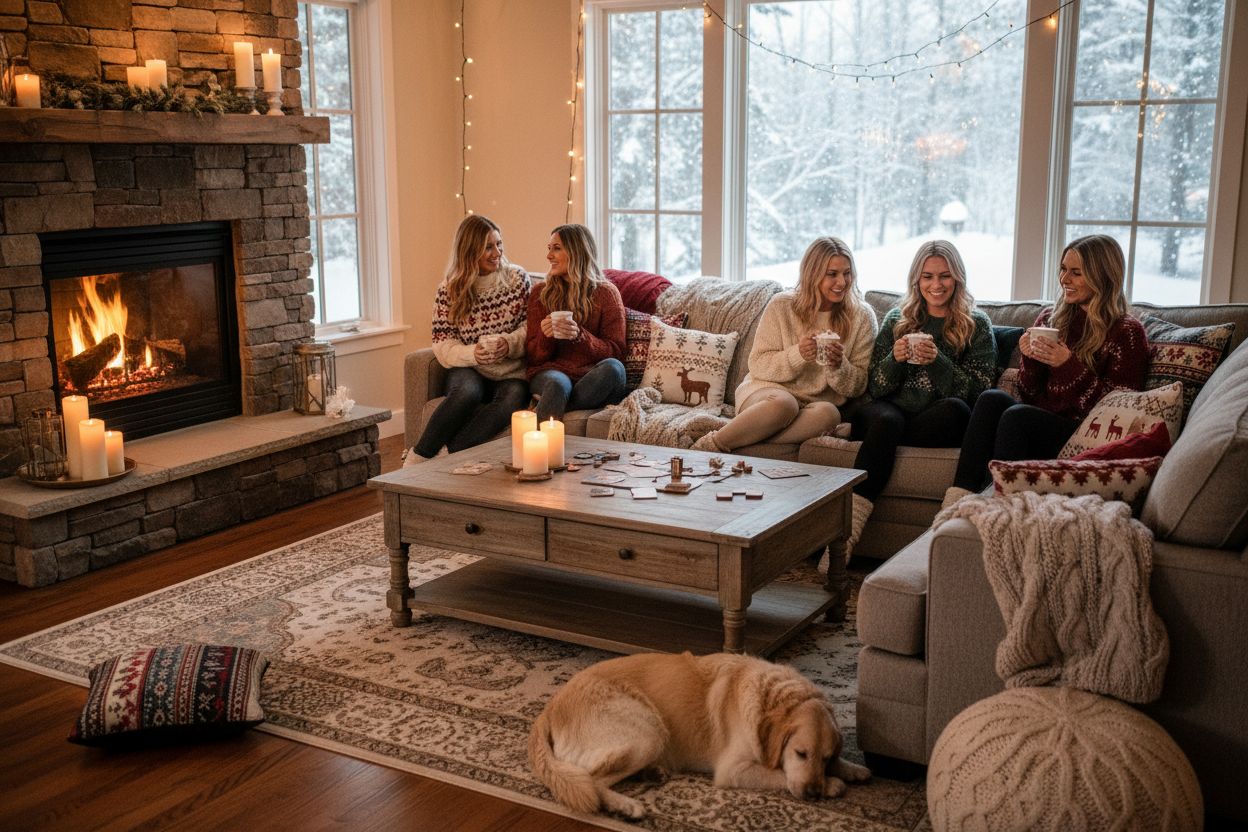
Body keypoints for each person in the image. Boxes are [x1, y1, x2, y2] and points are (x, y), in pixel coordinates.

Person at [692, 236, 878, 553]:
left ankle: (738, 441)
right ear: (812, 274)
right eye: (832, 274)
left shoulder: (862, 317)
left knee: (829, 413)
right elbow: (759, 364)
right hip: (766, 395)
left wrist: (837, 365)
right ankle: (711, 445)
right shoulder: (782, 306)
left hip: (813, 408)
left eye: (846, 273)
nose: (841, 282)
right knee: (784, 403)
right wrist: (797, 354)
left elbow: (857, 385)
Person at [945, 234, 1150, 503]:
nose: (1064, 279)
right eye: (1064, 270)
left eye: (1076, 273)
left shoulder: (1127, 332)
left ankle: (997, 505)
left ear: (1103, 276)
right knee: (991, 399)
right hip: (1041, 423)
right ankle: (958, 499)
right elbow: (1030, 394)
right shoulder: (1052, 319)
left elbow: (1116, 412)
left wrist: (1067, 365)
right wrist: (1030, 359)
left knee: (1017, 417)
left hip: (1084, 431)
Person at [850, 241, 997, 551]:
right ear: (916, 280)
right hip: (888, 414)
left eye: (944, 276)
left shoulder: (976, 324)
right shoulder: (896, 319)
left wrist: (938, 361)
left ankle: (886, 445)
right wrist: (895, 358)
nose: (936, 285)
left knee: (957, 410)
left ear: (957, 278)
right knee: (888, 422)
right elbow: (875, 387)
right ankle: (847, 531)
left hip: (932, 422)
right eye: (927, 276)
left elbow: (980, 391)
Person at [404, 215, 531, 467]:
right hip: (470, 369)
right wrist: (474, 354)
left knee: (512, 399)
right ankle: (416, 457)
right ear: (469, 250)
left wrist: (508, 343)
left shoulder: (517, 279)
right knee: (466, 392)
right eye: (488, 247)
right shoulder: (449, 290)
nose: (497, 252)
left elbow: (530, 327)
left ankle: (444, 457)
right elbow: (442, 345)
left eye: (499, 244)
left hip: (511, 372)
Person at [525, 224, 627, 421]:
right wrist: (546, 337)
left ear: (576, 252)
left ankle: (556, 404)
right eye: (549, 248)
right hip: (552, 375)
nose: (548, 256)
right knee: (557, 385)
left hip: (590, 380)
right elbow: (533, 359)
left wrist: (580, 336)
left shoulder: (606, 293)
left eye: (556, 248)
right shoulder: (540, 294)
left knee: (614, 368)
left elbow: (617, 352)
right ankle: (541, 444)